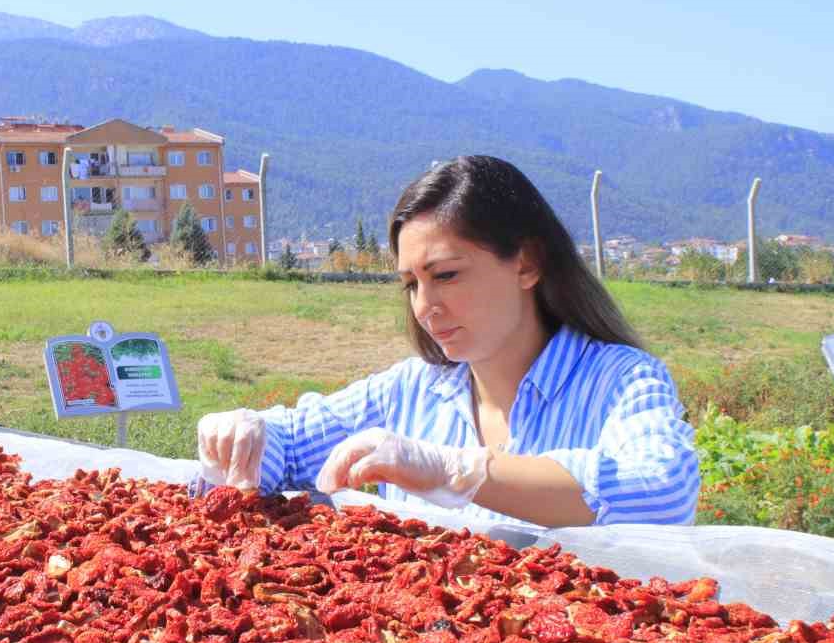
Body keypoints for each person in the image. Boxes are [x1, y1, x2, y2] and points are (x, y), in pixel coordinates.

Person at [196, 155, 699, 528]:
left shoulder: (620, 380)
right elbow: (288, 445)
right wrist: (244, 436)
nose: (424, 305)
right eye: (412, 284)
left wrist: (458, 472)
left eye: (448, 275)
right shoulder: (410, 391)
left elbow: (661, 491)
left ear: (526, 263)